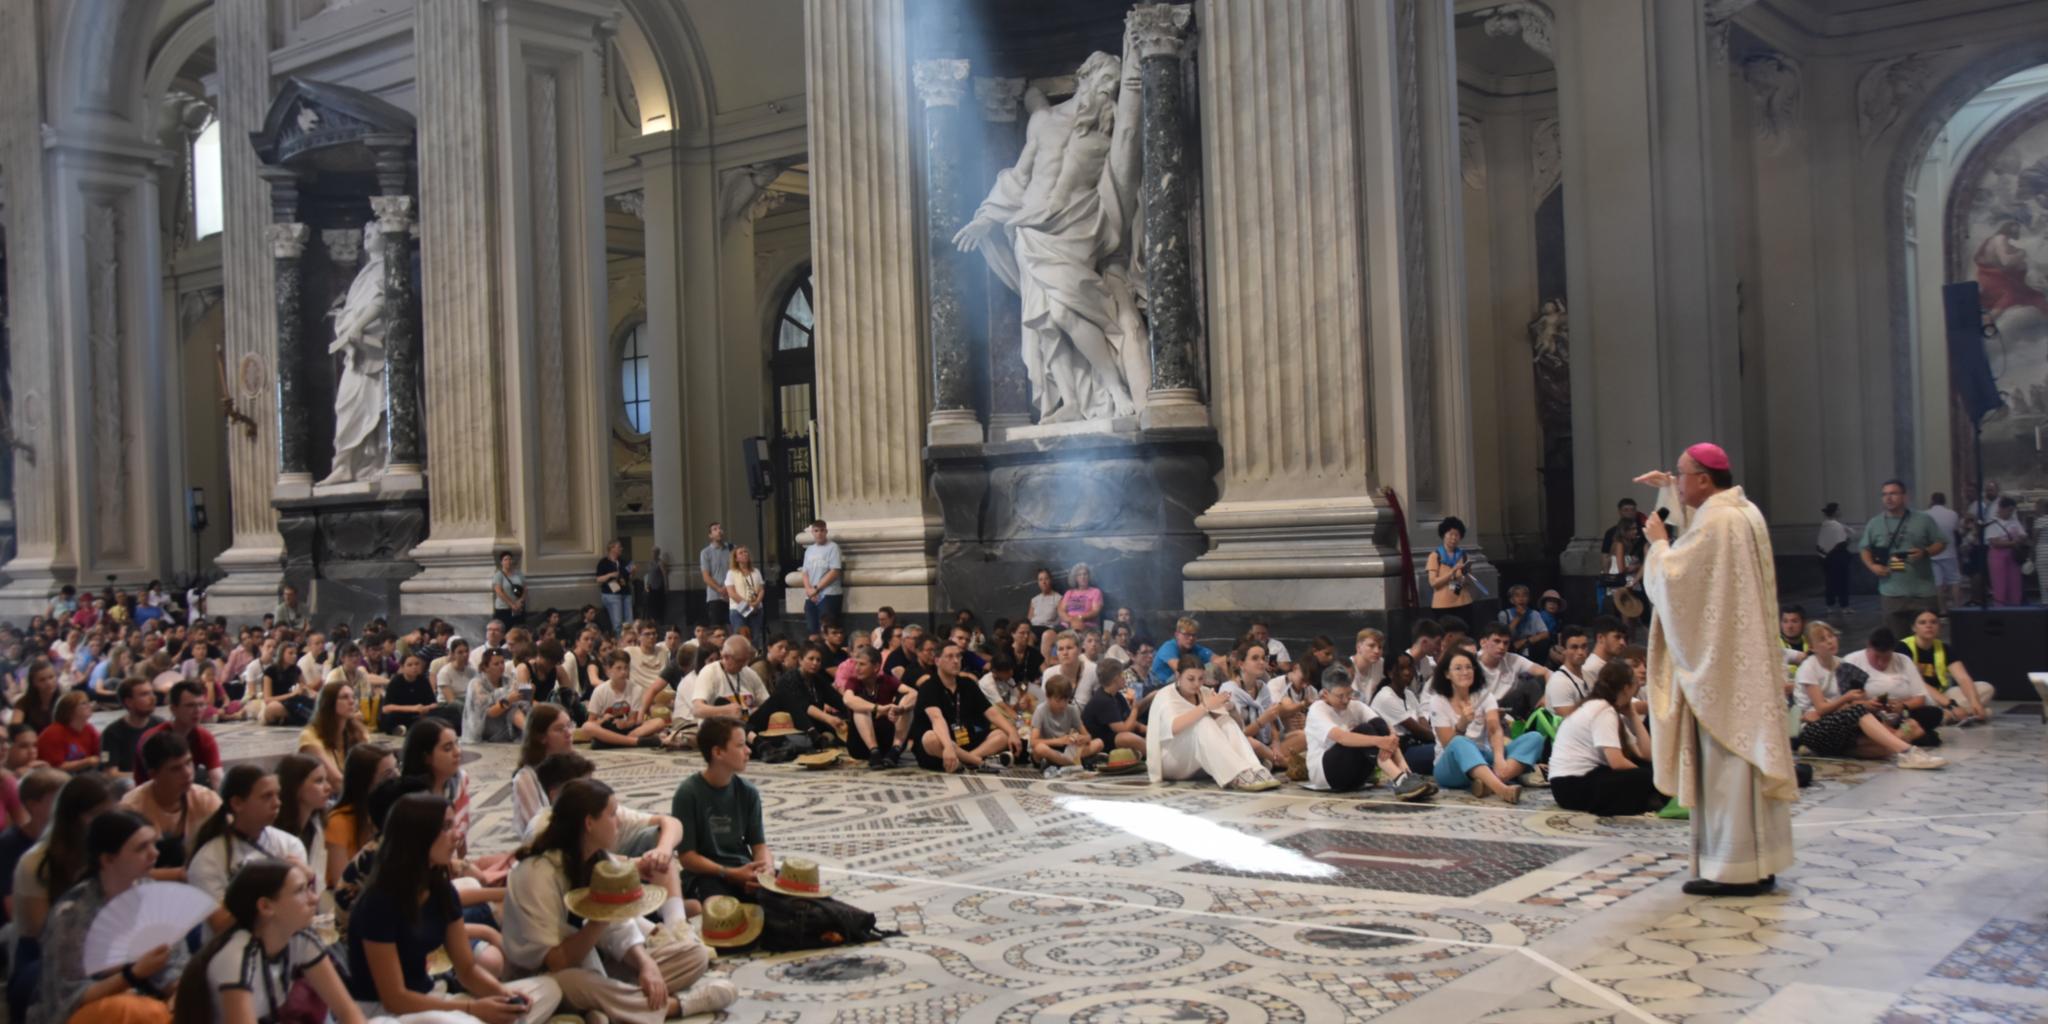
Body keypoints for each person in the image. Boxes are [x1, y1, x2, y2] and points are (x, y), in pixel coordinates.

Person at [1634, 443, 1797, 897]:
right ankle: (1760, 863)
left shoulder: (1719, 520)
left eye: (1682, 474)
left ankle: (1733, 869)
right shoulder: (1742, 511)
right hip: (1743, 663)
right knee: (1746, 769)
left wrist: (1658, 545)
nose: (1677, 478)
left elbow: (1676, 579)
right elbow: (1698, 545)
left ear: (1705, 479)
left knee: (1727, 766)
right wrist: (1668, 493)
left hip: (1721, 670)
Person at [502, 779, 734, 1022]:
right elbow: (555, 961)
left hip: (598, 966)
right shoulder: (537, 874)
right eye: (612, 815)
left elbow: (622, 930)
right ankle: (676, 1007)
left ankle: (605, 1007)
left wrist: (647, 966)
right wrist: (600, 919)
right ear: (589, 823)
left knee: (693, 956)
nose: (619, 822)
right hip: (546, 978)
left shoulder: (601, 861)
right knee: (574, 982)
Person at [347, 793, 562, 1022]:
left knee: (549, 990)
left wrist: (503, 994)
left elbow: (467, 969)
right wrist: (472, 1008)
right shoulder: (378, 903)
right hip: (383, 1013)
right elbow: (394, 998)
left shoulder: (441, 890)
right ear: (418, 835)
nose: (457, 835)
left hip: (429, 998)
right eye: (446, 827)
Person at [37, 811, 188, 1024]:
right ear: (108, 859)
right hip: (92, 1013)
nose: (154, 854)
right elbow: (70, 998)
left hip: (151, 1004)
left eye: (153, 844)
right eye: (141, 848)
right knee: (134, 1010)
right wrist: (132, 975)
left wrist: (177, 997)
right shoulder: (72, 912)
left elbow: (175, 967)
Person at [172, 858, 362, 1024]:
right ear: (266, 906)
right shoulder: (235, 957)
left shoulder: (301, 940)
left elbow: (347, 1010)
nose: (314, 898)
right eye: (300, 890)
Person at [1793, 621, 1945, 768]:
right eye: (1822, 639)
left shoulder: (1842, 664)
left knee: (1884, 747)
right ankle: (1907, 750)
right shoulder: (1809, 667)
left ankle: (1899, 739)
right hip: (1813, 726)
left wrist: (1869, 704)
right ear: (1812, 647)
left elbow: (1856, 699)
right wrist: (1848, 699)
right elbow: (1821, 709)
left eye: (1831, 636)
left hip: (1839, 720)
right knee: (1861, 713)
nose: (1829, 642)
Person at [671, 718, 772, 903]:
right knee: (720, 911)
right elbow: (687, 857)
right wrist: (729, 873)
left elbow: (759, 846)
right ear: (718, 752)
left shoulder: (748, 792)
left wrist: (765, 871)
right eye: (741, 745)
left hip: (743, 869)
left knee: (792, 901)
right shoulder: (688, 794)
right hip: (706, 876)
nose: (748, 751)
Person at [1548, 661, 1663, 816]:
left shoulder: (1605, 708)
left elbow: (1646, 755)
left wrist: (1633, 715)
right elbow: (1617, 762)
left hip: (1571, 784)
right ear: (1626, 688)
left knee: (1647, 768)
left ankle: (1647, 799)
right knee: (1643, 775)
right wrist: (1650, 779)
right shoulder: (1603, 710)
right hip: (1570, 786)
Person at [1427, 649, 1543, 802]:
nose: (1465, 672)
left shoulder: (1484, 696)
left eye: (1469, 667)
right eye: (1458, 668)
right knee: (1460, 742)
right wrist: (1462, 725)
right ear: (1447, 674)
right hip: (1450, 766)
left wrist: (1499, 759)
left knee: (1535, 738)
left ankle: (1495, 778)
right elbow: (1448, 745)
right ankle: (1501, 788)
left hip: (1484, 757)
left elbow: (1494, 729)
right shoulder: (1438, 701)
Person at [1145, 659, 1279, 790]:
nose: (1196, 684)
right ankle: (1236, 773)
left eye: (1201, 678)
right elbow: (1174, 727)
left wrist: (1230, 708)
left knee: (1225, 721)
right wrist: (1205, 707)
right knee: (1203, 721)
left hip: (1195, 761)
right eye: (1191, 679)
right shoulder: (1166, 695)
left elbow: (1237, 729)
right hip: (1171, 760)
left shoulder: (1204, 692)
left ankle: (1254, 768)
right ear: (1178, 676)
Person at [1304, 667, 1434, 798]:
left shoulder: (1356, 706)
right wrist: (1380, 741)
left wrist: (1391, 738)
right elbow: (1342, 738)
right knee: (1365, 730)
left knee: (1379, 726)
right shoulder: (1317, 710)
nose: (1345, 700)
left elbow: (1384, 727)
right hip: (1327, 775)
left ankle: (1407, 774)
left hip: (1356, 777)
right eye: (1340, 696)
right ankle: (1399, 780)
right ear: (1325, 694)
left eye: (1348, 694)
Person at [119, 732, 222, 880]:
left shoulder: (206, 800)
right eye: (175, 769)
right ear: (153, 774)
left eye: (188, 763)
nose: (187, 773)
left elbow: (229, 846)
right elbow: (124, 870)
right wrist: (180, 874)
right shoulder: (132, 808)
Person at [1860, 479, 1947, 636]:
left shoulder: (1923, 519)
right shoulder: (1875, 523)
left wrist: (1925, 552)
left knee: (1927, 640)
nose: (1888, 498)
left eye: (1893, 493)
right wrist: (1873, 566)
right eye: (1884, 494)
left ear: (1905, 497)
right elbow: (1864, 548)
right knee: (1896, 643)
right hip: (1892, 592)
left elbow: (1941, 542)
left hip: (1923, 591)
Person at [912, 642, 1014, 773]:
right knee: (930, 738)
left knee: (1002, 734)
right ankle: (980, 762)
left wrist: (1012, 732)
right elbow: (937, 719)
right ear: (937, 661)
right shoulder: (929, 687)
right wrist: (948, 747)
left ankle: (967, 761)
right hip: (940, 748)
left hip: (965, 742)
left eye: (958, 656)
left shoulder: (967, 684)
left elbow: (991, 712)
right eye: (949, 656)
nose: (955, 661)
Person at [1841, 628, 1948, 747]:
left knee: (1934, 713)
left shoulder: (1904, 660)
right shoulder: (1851, 661)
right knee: (1857, 718)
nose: (1881, 663)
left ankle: (1895, 739)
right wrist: (1869, 704)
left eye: (1886, 658)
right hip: (1872, 716)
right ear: (1869, 647)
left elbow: (1920, 698)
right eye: (1876, 657)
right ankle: (1909, 737)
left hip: (1902, 717)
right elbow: (1846, 703)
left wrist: (1903, 705)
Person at [1903, 610, 1995, 726]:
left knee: (1986, 688)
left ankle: (1949, 715)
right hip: (1917, 698)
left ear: (1939, 626)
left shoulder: (1943, 648)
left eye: (1933, 622)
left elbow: (1963, 678)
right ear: (1914, 628)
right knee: (1987, 711)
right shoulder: (1904, 647)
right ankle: (1955, 714)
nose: (1929, 626)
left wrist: (1975, 702)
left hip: (1941, 696)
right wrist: (1951, 705)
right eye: (1922, 622)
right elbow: (1920, 684)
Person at [136, 683, 225, 788]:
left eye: (201, 705)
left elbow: (217, 778)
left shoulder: (204, 737)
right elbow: (157, 783)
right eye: (190, 705)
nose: (197, 711)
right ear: (173, 709)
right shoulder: (154, 738)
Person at [843, 647, 917, 768]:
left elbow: (913, 693)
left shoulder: (886, 680)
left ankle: (896, 750)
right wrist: (879, 709)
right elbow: (848, 699)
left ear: (876, 667)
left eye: (862, 664)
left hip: (888, 743)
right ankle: (874, 751)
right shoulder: (853, 681)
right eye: (855, 664)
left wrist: (900, 709)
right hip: (861, 745)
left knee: (907, 704)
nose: (857, 668)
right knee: (860, 708)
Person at [1368, 652, 1435, 776]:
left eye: (1410, 667)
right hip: (1399, 753)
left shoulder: (1408, 694)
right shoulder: (1386, 697)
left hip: (1416, 746)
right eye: (1401, 668)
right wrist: (1444, 741)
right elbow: (1419, 731)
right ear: (1390, 673)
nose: (1407, 672)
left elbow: (1424, 724)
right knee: (1445, 751)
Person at [298, 678, 367, 793]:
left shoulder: (358, 731)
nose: (351, 701)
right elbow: (335, 780)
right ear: (329, 703)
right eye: (345, 697)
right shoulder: (310, 735)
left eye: (353, 697)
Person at [1028, 676, 1104, 777]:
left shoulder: (1072, 710)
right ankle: (1072, 763)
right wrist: (1058, 741)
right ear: (1048, 697)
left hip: (1065, 751)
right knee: (1040, 749)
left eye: (1066, 700)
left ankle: (1062, 763)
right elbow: (1033, 742)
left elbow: (1088, 736)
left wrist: (1082, 739)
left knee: (1099, 743)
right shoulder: (1041, 711)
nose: (1062, 705)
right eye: (1058, 701)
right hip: (1048, 749)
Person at [100, 675, 165, 778]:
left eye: (152, 692)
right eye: (144, 694)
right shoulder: (112, 733)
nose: (153, 698)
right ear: (129, 702)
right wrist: (148, 777)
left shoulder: (160, 725)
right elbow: (111, 774)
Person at [465, 648, 530, 743]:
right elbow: (489, 713)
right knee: (511, 708)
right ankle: (530, 731)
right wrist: (508, 700)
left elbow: (523, 702)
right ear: (485, 667)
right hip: (484, 725)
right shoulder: (476, 684)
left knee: (524, 707)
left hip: (504, 720)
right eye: (496, 664)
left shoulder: (508, 680)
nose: (501, 666)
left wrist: (526, 692)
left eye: (502, 663)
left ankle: (531, 731)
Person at [1426, 516, 1478, 625]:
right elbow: (1433, 583)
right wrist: (1452, 572)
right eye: (1450, 534)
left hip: (1464, 602)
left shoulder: (1464, 555)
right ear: (1443, 535)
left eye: (1457, 535)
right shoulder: (1435, 556)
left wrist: (1465, 575)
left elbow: (1469, 582)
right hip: (1443, 606)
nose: (1454, 538)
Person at [37, 690, 102, 774]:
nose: (89, 705)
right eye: (83, 703)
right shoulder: (53, 733)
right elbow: (56, 767)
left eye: (88, 702)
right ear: (69, 710)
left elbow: (100, 752)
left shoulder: (88, 728)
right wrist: (87, 761)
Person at [800, 519, 844, 638]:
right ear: (812, 532)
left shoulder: (833, 547)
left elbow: (834, 571)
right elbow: (805, 573)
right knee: (812, 630)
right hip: (811, 596)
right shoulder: (809, 550)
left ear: (826, 532)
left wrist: (816, 589)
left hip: (828, 594)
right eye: (816, 530)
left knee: (827, 629)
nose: (819, 533)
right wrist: (809, 590)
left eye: (822, 530)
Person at [375, 651, 438, 736]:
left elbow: (434, 704)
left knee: (440, 712)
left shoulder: (423, 681)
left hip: (418, 715)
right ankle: (399, 729)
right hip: (401, 713)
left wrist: (426, 708)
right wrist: (412, 708)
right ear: (402, 667)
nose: (414, 667)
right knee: (389, 718)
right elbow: (386, 708)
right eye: (410, 665)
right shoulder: (396, 682)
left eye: (417, 664)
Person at [1148, 617, 1214, 693]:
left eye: (1194, 635)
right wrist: (1204, 678)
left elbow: (1218, 660)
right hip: (1159, 686)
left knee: (1213, 667)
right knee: (1186, 675)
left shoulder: (1195, 648)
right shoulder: (1168, 647)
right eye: (1187, 634)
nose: (1191, 638)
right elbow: (1181, 669)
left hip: (1178, 684)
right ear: (1177, 635)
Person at [1984, 495, 2028, 606]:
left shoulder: (2014, 521)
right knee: (2000, 584)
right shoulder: (1992, 523)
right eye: (2008, 510)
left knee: (2015, 583)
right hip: (1998, 556)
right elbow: (1994, 542)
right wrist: (2012, 542)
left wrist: (2019, 539)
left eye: (2012, 511)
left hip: (2013, 555)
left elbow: (2023, 535)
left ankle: (2015, 606)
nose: (2010, 513)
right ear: (2001, 509)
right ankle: (2000, 608)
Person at [1922, 494, 1963, 613]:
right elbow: (1956, 531)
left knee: (1937, 583)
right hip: (1949, 552)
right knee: (1954, 581)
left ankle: (1942, 611)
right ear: (1945, 501)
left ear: (1932, 501)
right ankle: (1958, 609)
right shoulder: (1952, 514)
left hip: (1933, 552)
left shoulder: (1925, 514)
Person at [1543, 626, 1594, 718]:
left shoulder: (1588, 675)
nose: (1580, 652)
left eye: (1584, 646)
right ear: (1563, 650)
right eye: (1574, 647)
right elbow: (1570, 721)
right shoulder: (1559, 682)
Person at [1498, 585, 1555, 663]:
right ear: (1512, 600)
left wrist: (1524, 642)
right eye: (1517, 596)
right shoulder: (1504, 614)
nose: (1521, 599)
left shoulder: (1534, 614)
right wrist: (1518, 617)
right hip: (1511, 647)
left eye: (1524, 595)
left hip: (1529, 646)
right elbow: (1503, 635)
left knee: (1544, 643)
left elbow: (1545, 634)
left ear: (1528, 599)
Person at [724, 545, 767, 641]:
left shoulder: (756, 571)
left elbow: (761, 589)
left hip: (756, 609)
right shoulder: (731, 573)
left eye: (746, 552)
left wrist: (756, 603)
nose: (744, 554)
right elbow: (732, 593)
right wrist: (748, 604)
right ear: (736, 558)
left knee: (755, 638)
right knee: (742, 638)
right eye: (741, 553)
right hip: (738, 609)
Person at [699, 523, 733, 631]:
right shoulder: (706, 553)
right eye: (715, 529)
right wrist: (720, 589)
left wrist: (729, 589)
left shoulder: (732, 549)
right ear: (710, 535)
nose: (719, 531)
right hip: (715, 597)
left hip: (732, 594)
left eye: (720, 528)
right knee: (717, 629)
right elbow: (706, 576)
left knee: (732, 628)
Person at [1057, 563, 1103, 632]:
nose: (1082, 577)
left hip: (1087, 625)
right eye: (1079, 575)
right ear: (1075, 578)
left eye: (1085, 574)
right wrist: (1070, 619)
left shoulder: (1095, 592)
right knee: (1048, 634)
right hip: (1067, 624)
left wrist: (1080, 617)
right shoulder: (1069, 592)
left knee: (1077, 626)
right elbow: (1061, 610)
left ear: (1089, 576)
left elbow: (1095, 611)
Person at [493, 549, 528, 627]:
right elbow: (499, 591)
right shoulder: (499, 575)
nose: (508, 561)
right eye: (505, 559)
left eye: (509, 559)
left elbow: (525, 588)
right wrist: (511, 604)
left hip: (518, 608)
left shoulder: (518, 573)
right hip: (504, 608)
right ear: (502, 562)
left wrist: (520, 601)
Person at [1024, 568, 1062, 637]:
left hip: (1047, 630)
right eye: (1040, 579)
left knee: (1029, 635)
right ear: (1038, 582)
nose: (1043, 582)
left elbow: (1061, 620)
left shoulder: (1058, 598)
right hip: (1033, 628)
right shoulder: (1034, 600)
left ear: (1050, 580)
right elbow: (1029, 620)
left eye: (1046, 579)